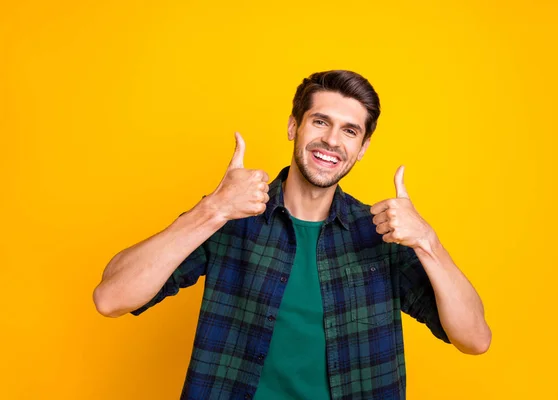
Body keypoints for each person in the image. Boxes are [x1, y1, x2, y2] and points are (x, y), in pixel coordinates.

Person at [93, 70, 491, 400]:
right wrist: (212, 210)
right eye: (320, 121)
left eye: (349, 131)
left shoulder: (380, 234)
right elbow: (111, 298)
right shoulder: (232, 217)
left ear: (363, 147)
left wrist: (426, 240)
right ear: (293, 126)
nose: (332, 141)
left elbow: (474, 339)